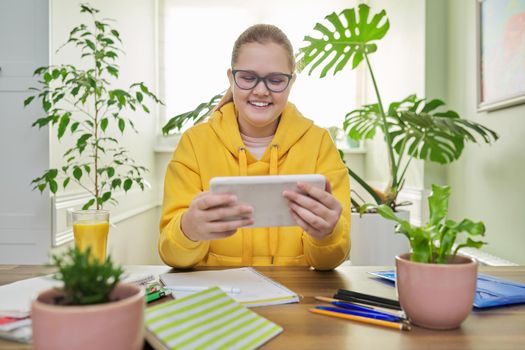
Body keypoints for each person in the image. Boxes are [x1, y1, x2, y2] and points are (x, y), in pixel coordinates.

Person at [159, 24, 350, 270]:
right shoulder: (195, 143)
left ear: (291, 82)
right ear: (231, 78)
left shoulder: (319, 143)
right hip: (219, 298)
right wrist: (188, 229)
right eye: (248, 78)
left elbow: (329, 262)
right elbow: (171, 255)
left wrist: (329, 233)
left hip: (297, 297)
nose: (261, 91)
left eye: (275, 80)